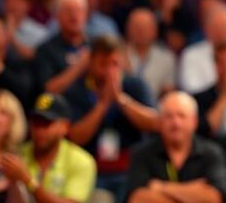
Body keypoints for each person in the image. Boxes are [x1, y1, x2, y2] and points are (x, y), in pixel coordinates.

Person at [65, 34, 158, 202]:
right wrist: (103, 105)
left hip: (131, 170)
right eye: (103, 64)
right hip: (92, 171)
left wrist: (122, 100)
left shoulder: (135, 85)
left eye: (114, 64)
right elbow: (75, 137)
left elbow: (154, 123)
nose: (109, 71)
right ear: (91, 62)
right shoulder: (77, 91)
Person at [125, 91, 226, 203]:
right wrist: (194, 192)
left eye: (181, 116)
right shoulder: (141, 154)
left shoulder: (212, 153)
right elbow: (138, 199)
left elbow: (214, 198)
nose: (176, 123)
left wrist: (161, 187)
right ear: (160, 121)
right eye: (169, 116)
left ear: (194, 121)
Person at [0, 92, 97, 203]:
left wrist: (28, 181)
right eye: (36, 123)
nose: (39, 130)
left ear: (65, 127)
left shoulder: (81, 161)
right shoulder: (17, 154)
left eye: (46, 123)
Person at [33, 0, 90, 96]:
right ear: (57, 15)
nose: (74, 16)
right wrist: (79, 67)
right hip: (61, 108)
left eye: (78, 10)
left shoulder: (95, 46)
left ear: (85, 14)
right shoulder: (46, 50)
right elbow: (48, 90)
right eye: (68, 10)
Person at [179, 0, 226, 95]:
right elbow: (192, 92)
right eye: (218, 28)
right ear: (206, 30)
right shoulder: (191, 55)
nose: (223, 33)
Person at [125, 7, 176, 100]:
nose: (140, 31)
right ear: (128, 29)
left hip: (155, 109)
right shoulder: (118, 55)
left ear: (155, 30)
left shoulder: (166, 59)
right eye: (136, 27)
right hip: (122, 107)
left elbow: (168, 92)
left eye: (144, 27)